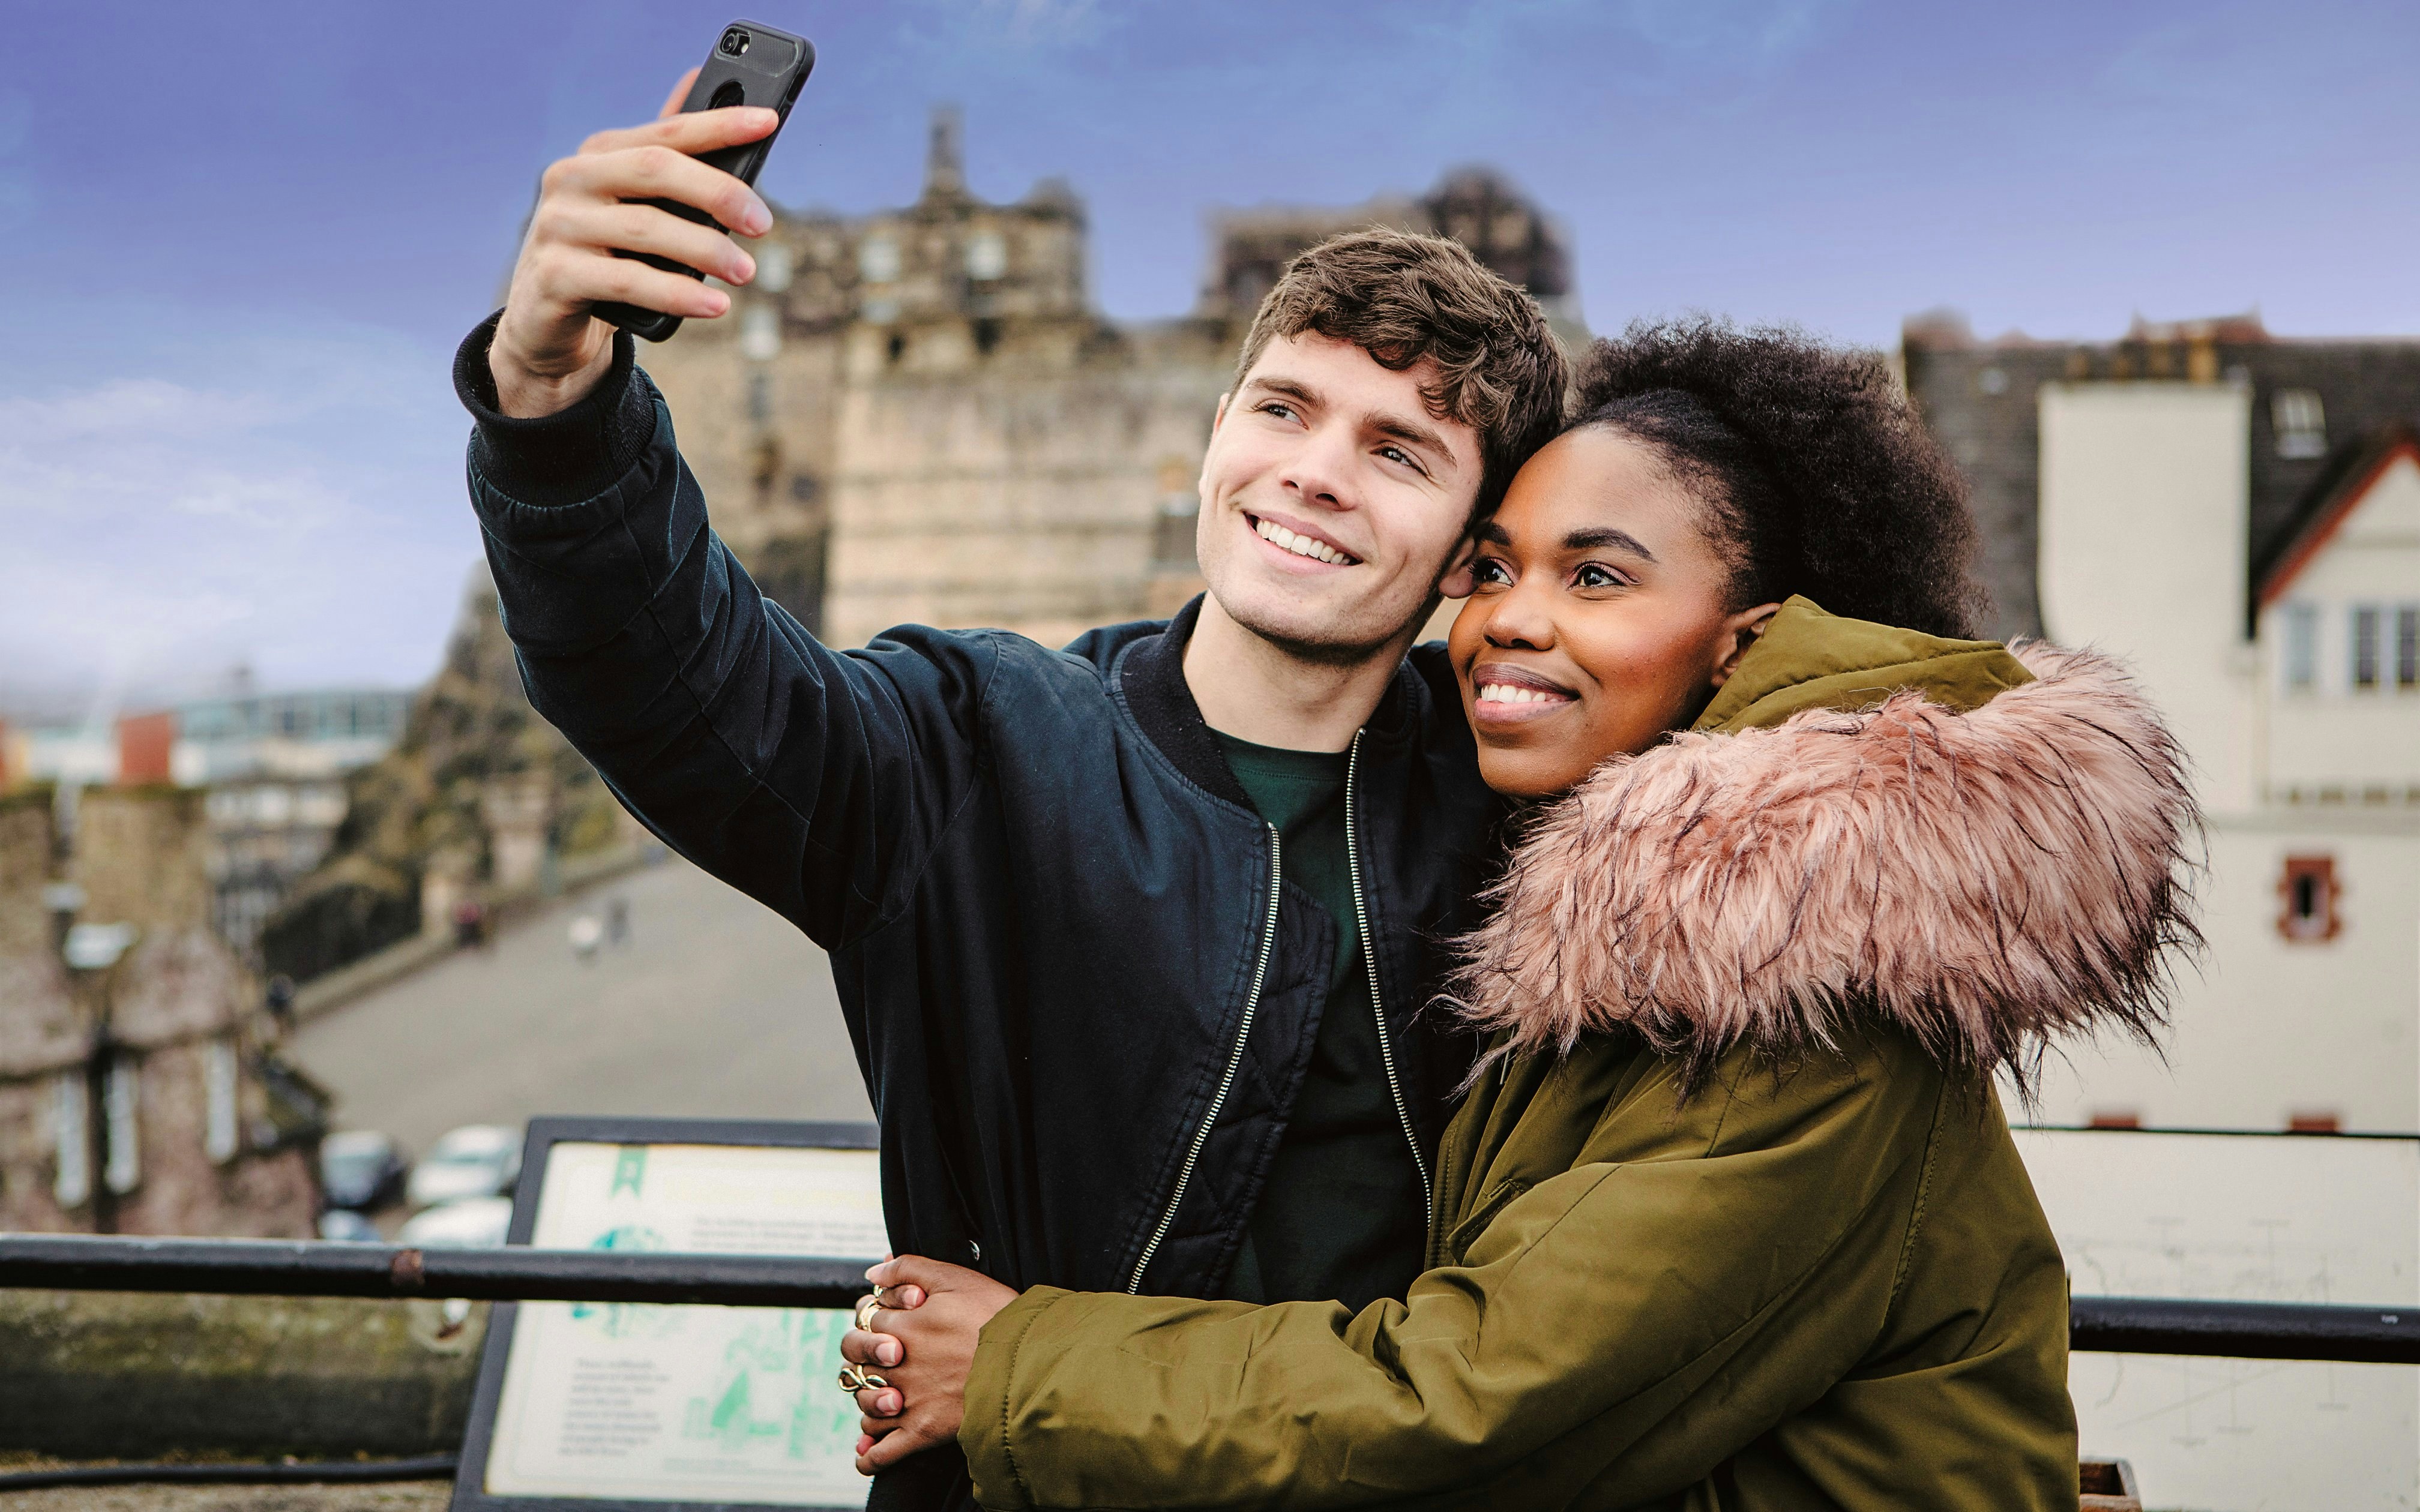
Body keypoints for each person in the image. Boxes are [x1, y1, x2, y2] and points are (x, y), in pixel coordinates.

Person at [840, 320, 2200, 1509]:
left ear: (1745, 640)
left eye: (1595, 578)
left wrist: (1015, 1367)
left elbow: (1487, 1400)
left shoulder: (1811, 965)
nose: (1508, 624)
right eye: (1490, 570)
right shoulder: (1649, 899)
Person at [457, 85, 1568, 1507]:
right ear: (1218, 428)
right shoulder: (976, 741)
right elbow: (672, 681)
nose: (1314, 473)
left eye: (1396, 451)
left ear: (1475, 554)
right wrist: (554, 396)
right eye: (1285, 409)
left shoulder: (1527, 813)